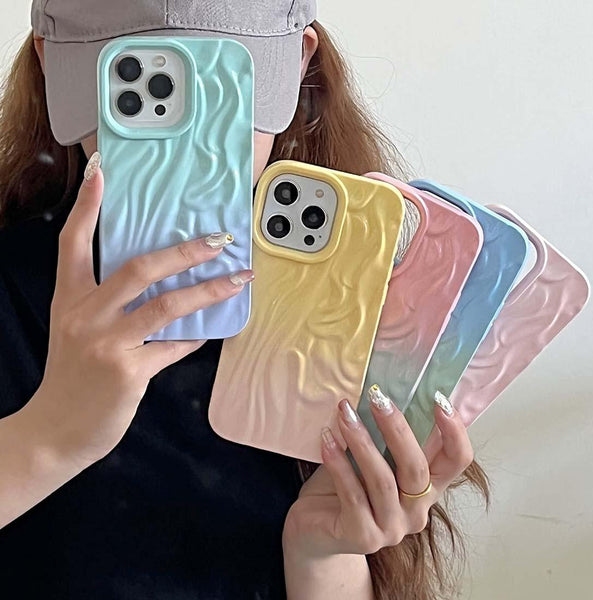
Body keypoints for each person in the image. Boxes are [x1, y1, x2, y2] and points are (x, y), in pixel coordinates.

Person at [0, 1, 489, 598]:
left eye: (221, 91)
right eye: (140, 88)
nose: (187, 142)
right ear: (51, 68)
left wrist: (324, 555)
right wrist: (47, 436)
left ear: (300, 63)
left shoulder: (368, 307)